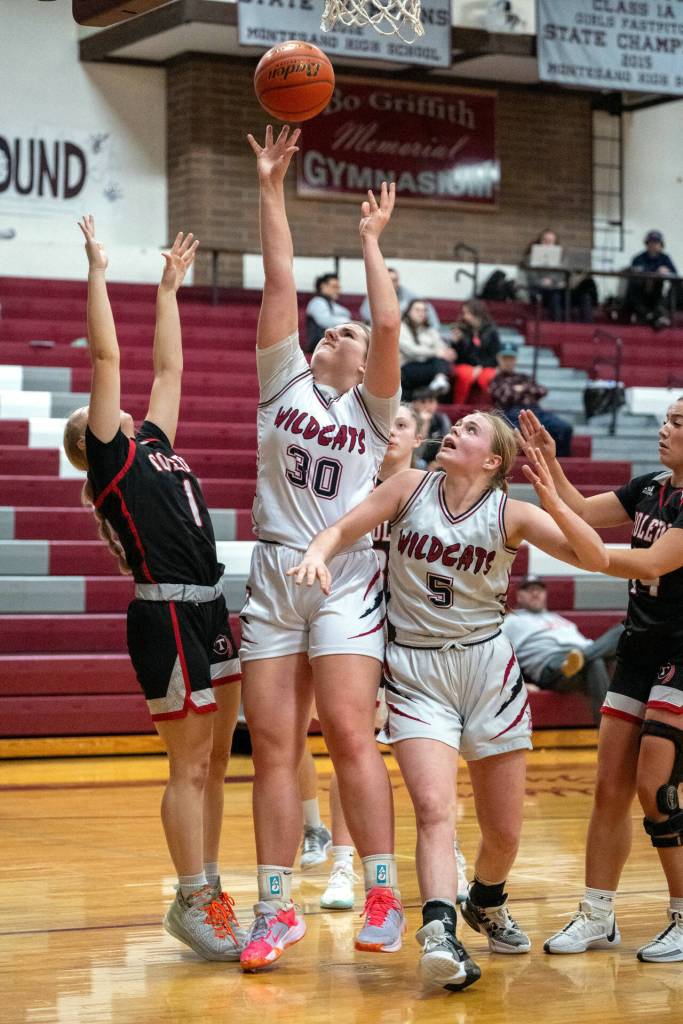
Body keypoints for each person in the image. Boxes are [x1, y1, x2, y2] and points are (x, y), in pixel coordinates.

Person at [288, 412, 608, 992]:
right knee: (435, 809)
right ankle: (439, 931)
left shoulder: (514, 512)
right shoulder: (410, 486)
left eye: (470, 430)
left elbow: (596, 558)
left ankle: (485, 900)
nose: (453, 430)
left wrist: (553, 498)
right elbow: (342, 528)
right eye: (455, 425)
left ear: (492, 461)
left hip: (487, 667)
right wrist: (319, 552)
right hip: (416, 667)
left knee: (504, 834)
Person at [239, 125, 403, 972]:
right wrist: (271, 187)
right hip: (273, 568)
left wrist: (370, 242)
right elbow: (277, 279)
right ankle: (274, 909)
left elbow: (384, 317)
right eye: (327, 328)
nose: (337, 331)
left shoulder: (374, 410)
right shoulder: (283, 380)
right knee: (272, 744)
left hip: (344, 575)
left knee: (346, 730)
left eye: (346, 333)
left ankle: (380, 890)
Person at [62, 218, 244, 961]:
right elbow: (109, 355)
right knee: (190, 764)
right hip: (165, 610)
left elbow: (167, 374)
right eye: (96, 414)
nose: (114, 407)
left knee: (220, 760)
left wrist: (168, 289)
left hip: (210, 605)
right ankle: (190, 898)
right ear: (92, 438)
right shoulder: (110, 460)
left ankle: (213, 883)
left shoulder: (155, 447)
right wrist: (100, 273)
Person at [518, 407, 683, 963]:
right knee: (609, 784)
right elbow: (586, 510)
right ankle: (598, 914)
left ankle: (682, 917)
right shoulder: (651, 486)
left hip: (681, 655)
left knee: (656, 788)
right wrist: (547, 465)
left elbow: (651, 562)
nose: (666, 429)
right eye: (666, 419)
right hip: (639, 647)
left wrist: (583, 547)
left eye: (680, 422)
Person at [502, 575, 623, 723]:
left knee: (624, 629)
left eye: (539, 589)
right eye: (529, 590)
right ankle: (610, 733)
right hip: (553, 667)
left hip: (580, 661)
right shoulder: (511, 621)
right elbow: (497, 654)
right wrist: (519, 683)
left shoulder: (560, 619)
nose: (535, 593)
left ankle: (582, 657)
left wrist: (586, 654)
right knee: (595, 662)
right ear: (519, 596)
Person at [488, 342, 573, 457]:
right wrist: (527, 391)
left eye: (511, 358)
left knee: (565, 428)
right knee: (511, 433)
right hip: (511, 413)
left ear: (515, 359)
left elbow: (542, 391)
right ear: (499, 359)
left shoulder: (524, 377)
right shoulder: (495, 380)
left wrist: (521, 389)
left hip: (535, 411)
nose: (508, 362)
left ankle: (557, 462)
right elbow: (506, 397)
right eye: (505, 358)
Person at [399, 298, 455, 399]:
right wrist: (435, 352)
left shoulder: (429, 330)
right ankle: (439, 380)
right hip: (407, 367)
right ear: (408, 312)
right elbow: (412, 351)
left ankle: (440, 380)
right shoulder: (401, 328)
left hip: (426, 366)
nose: (421, 313)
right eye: (417, 310)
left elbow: (441, 346)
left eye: (424, 310)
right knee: (439, 360)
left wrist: (448, 352)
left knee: (442, 360)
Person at [360, 267, 443, 333]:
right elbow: (365, 313)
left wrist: (434, 329)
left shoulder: (406, 293)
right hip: (381, 333)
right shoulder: (375, 293)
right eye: (388, 280)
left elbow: (425, 305)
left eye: (394, 280)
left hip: (404, 332)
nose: (391, 283)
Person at [449, 299, 500, 405]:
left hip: (486, 365)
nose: (465, 316)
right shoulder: (460, 329)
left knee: (487, 377)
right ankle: (458, 406)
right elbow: (458, 356)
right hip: (465, 364)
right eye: (464, 313)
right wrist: (455, 343)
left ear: (477, 313)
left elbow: (494, 355)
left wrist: (480, 366)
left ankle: (489, 409)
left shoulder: (491, 331)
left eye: (468, 313)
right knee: (465, 375)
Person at [624, 230, 678, 329]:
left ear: (661, 245)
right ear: (647, 244)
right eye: (651, 242)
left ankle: (654, 317)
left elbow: (675, 275)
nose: (653, 245)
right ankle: (650, 316)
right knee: (633, 292)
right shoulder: (638, 258)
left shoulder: (665, 258)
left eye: (656, 243)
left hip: (657, 293)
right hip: (640, 293)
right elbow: (634, 272)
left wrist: (667, 271)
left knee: (665, 296)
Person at [305, 272, 352, 351]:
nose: (338, 290)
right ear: (323, 286)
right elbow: (326, 321)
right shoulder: (317, 302)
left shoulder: (330, 304)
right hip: (319, 347)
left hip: (329, 345)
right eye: (334, 287)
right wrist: (350, 322)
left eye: (338, 287)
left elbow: (346, 312)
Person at [411, 388, 452, 468]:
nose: (428, 406)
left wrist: (436, 462)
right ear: (414, 403)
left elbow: (447, 442)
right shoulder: (410, 420)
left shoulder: (442, 419)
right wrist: (424, 425)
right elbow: (416, 454)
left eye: (431, 402)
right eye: (423, 402)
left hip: (434, 461)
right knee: (420, 464)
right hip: (415, 460)